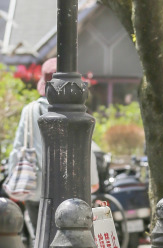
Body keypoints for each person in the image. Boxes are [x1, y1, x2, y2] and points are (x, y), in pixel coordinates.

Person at [6, 58, 99, 235]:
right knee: (71, 237)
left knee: (40, 236)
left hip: (36, 187)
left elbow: (18, 148)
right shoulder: (77, 111)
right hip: (71, 189)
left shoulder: (30, 111)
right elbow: (86, 149)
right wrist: (92, 180)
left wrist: (14, 179)